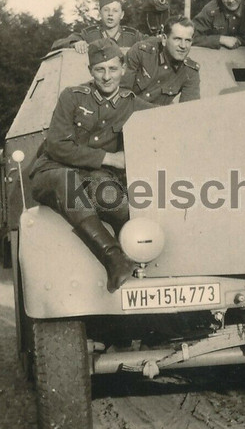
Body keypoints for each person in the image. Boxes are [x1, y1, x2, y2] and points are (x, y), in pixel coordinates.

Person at [29, 39, 153, 292]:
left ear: (123, 69)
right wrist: (110, 158)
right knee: (67, 180)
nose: (107, 77)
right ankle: (113, 258)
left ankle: (140, 256)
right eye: (100, 70)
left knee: (114, 199)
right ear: (90, 71)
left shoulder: (132, 104)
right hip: (50, 173)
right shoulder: (72, 97)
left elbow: (169, 123)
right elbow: (56, 146)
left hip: (94, 177)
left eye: (112, 69)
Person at [121, 16, 200, 105]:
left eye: (188, 40)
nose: (183, 46)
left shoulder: (190, 71)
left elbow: (190, 109)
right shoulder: (141, 53)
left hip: (159, 117)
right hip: (127, 114)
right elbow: (121, 92)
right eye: (177, 39)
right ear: (164, 39)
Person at [51, 0, 143, 52]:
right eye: (106, 10)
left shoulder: (133, 36)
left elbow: (152, 42)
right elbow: (57, 44)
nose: (110, 14)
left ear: (122, 15)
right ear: (100, 13)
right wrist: (75, 43)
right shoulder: (89, 35)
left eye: (115, 11)